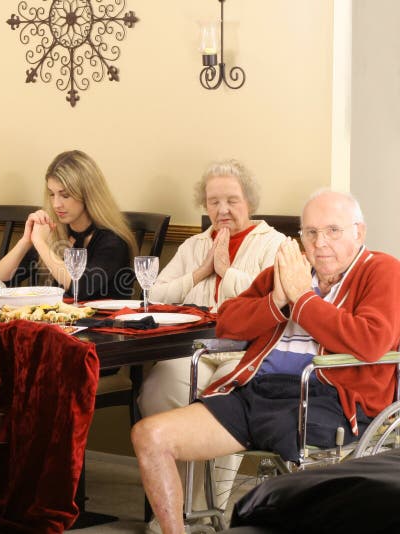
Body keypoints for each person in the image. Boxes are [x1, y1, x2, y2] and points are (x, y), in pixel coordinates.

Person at [132, 190, 400, 534]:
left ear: (358, 233)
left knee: (280, 500)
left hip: (328, 401)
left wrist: (301, 298)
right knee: (149, 436)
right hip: (256, 392)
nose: (320, 243)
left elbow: (371, 341)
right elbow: (228, 320)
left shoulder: (383, 270)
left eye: (333, 230)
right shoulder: (287, 271)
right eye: (310, 233)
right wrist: (278, 298)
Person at [137, 160, 285, 515]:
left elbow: (276, 298)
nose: (222, 210)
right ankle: (176, 509)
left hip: (248, 354)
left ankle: (209, 512)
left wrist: (226, 272)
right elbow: (153, 294)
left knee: (221, 403)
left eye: (232, 200)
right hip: (197, 352)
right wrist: (201, 272)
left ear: (249, 201)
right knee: (159, 387)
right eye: (213, 201)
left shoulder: (274, 244)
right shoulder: (193, 246)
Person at [0, 150, 138, 301]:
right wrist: (26, 241)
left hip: (100, 323)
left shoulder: (113, 241)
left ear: (88, 195)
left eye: (65, 195)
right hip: (62, 322)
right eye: (52, 194)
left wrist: (41, 244)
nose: (56, 204)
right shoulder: (56, 232)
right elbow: (1, 279)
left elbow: (80, 288)